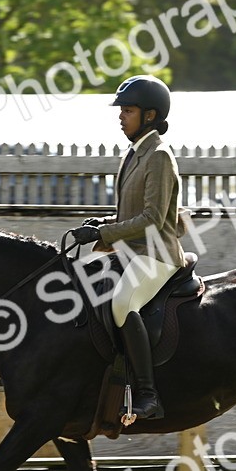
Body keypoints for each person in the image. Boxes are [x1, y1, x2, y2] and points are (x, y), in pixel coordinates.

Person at [68, 74, 187, 420]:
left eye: (128, 110)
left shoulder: (160, 156)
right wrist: (100, 226)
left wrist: (105, 234)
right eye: (121, 110)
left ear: (150, 116)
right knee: (81, 280)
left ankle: (148, 395)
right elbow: (129, 212)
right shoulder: (134, 154)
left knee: (122, 302)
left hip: (157, 253)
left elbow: (151, 218)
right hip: (130, 250)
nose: (121, 116)